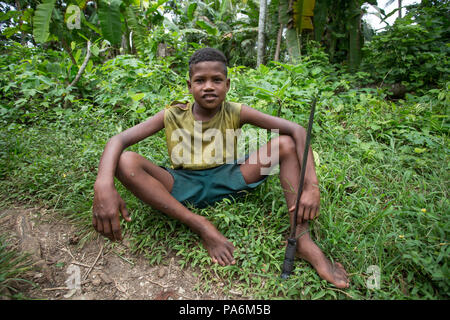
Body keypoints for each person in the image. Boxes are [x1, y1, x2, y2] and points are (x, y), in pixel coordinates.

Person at [92, 48, 349, 288]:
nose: (208, 87)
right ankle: (201, 224)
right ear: (189, 86)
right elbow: (119, 140)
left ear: (227, 85)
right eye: (200, 80)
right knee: (126, 161)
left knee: (285, 144)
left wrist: (312, 186)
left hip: (231, 177)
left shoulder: (235, 111)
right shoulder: (172, 114)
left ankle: (302, 239)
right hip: (182, 185)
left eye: (216, 80)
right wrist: (103, 183)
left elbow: (297, 130)